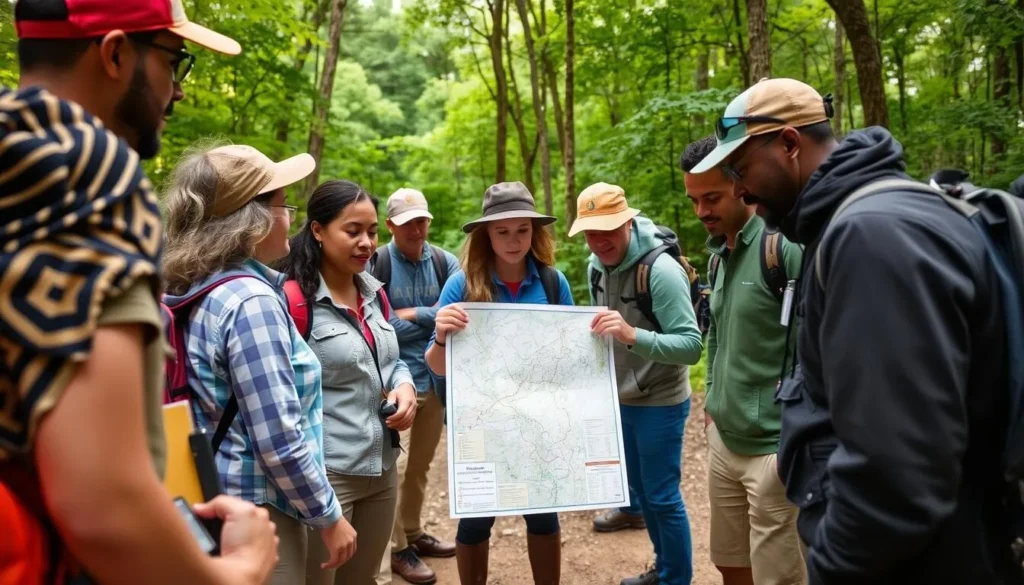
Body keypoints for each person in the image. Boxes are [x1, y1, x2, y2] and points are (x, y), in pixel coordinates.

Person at [689, 77, 1017, 584]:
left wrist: (835, 569)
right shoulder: (856, 224)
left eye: (741, 168)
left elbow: (894, 477)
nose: (741, 189)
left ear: (790, 145)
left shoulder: (869, 237)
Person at [0, 2, 278, 584]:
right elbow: (104, 507)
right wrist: (237, 573)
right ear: (117, 53)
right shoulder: (89, 170)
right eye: (173, 61)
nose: (176, 91)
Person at [162, 144, 358, 584]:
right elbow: (278, 438)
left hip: (210, 492)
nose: (291, 217)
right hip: (260, 509)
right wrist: (329, 516)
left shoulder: (194, 285)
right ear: (252, 219)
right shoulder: (251, 302)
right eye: (283, 204)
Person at [424, 181, 572, 585]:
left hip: (537, 423)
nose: (513, 240)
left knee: (543, 515)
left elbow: (572, 361)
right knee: (475, 520)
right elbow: (436, 367)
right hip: (480, 424)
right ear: (486, 234)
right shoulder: (462, 286)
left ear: (534, 232)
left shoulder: (553, 284)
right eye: (502, 231)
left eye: (522, 230)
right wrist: (440, 336)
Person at [681, 136, 806, 585]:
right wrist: (713, 401)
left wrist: (795, 432)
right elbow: (716, 338)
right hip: (724, 442)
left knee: (780, 577)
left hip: (775, 449)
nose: (701, 212)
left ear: (741, 183)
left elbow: (819, 345)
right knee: (730, 564)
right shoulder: (718, 259)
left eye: (710, 197)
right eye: (693, 200)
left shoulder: (784, 249)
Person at [280, 179, 418, 585]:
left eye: (372, 232)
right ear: (318, 231)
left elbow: (390, 362)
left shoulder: (374, 294)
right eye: (352, 231)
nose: (365, 243)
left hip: (383, 467)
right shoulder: (291, 302)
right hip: (328, 475)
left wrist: (405, 385)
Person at [567, 183, 704, 585]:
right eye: (590, 232)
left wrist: (632, 335)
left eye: (608, 229)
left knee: (662, 497)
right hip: (620, 396)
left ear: (628, 221)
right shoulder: (596, 264)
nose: (599, 241)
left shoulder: (660, 272)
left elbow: (692, 347)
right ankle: (663, 571)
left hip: (660, 398)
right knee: (643, 494)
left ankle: (675, 579)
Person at [371, 188, 459, 585]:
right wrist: (431, 318)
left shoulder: (444, 261)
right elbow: (377, 325)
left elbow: (457, 315)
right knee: (396, 468)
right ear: (390, 225)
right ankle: (397, 549)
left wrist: (413, 313)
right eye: (408, 223)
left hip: (434, 378)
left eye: (422, 220)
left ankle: (413, 530)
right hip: (389, 381)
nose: (418, 229)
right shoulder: (376, 262)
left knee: (420, 467)